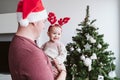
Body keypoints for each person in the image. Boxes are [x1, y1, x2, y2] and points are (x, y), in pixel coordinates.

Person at [8, 0, 54, 80]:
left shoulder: (16, 42)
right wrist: (63, 73)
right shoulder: (32, 53)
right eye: (44, 22)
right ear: (35, 21)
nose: (43, 27)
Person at [41, 12, 70, 80]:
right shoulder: (45, 44)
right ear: (48, 34)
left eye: (59, 34)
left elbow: (63, 53)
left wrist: (58, 60)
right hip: (47, 63)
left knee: (56, 74)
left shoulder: (60, 44)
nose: (56, 36)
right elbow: (40, 50)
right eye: (54, 33)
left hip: (56, 64)